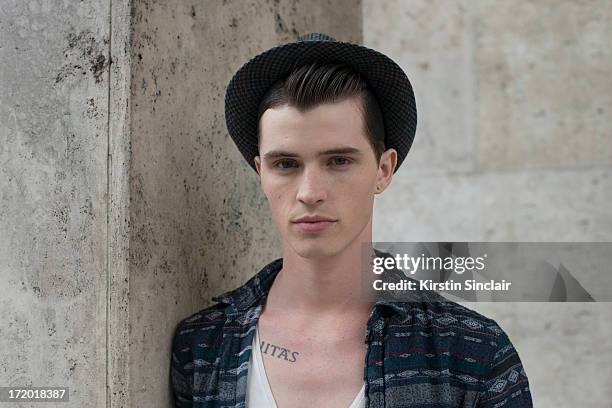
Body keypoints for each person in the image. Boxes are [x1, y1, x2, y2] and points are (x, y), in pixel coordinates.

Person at [170, 32, 533, 408]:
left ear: (383, 169)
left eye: (339, 161)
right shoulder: (202, 348)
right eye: (286, 164)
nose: (310, 192)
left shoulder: (471, 353)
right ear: (260, 172)